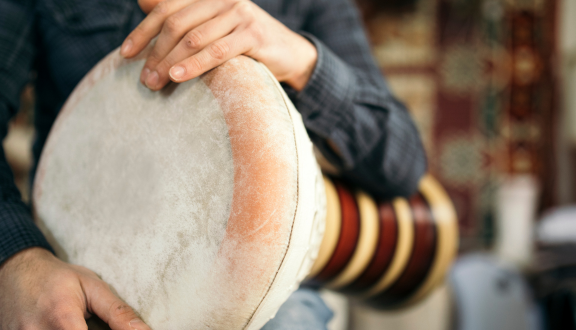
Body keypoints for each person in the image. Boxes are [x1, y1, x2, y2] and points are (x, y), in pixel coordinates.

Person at [0, 0, 427, 329]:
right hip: (73, 283)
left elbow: (403, 163)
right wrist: (18, 258)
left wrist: (301, 60)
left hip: (272, 304)